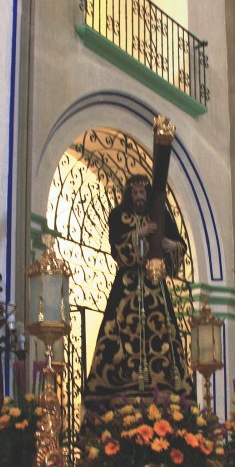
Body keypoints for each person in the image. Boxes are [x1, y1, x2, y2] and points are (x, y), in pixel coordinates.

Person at [82, 174, 194, 406]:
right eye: (134, 193)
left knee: (164, 334)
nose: (139, 197)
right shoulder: (118, 216)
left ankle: (164, 387)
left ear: (148, 194)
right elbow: (116, 247)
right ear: (128, 196)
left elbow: (179, 244)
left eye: (142, 193)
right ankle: (120, 387)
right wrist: (138, 234)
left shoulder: (159, 214)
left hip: (155, 286)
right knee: (119, 333)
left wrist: (172, 246)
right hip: (127, 286)